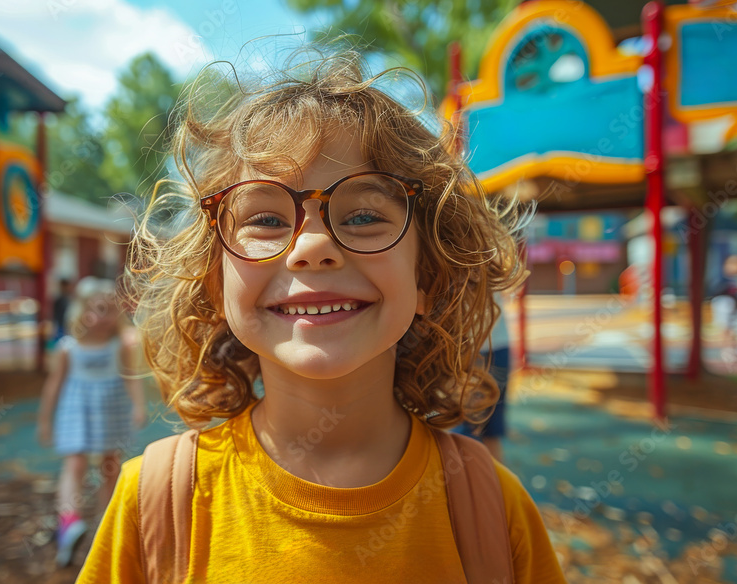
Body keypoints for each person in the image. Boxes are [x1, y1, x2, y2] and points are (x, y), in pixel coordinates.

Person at [78, 43, 566, 583]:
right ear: (214, 282)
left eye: (361, 215)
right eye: (264, 219)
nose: (310, 244)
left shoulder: (491, 509)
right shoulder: (156, 504)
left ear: (427, 276)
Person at [36, 276, 148, 567]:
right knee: (75, 463)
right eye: (99, 308)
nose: (106, 316)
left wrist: (138, 405)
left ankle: (107, 525)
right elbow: (54, 385)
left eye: (111, 309)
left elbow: (130, 377)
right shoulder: (68, 347)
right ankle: (69, 523)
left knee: (110, 465)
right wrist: (45, 421)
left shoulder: (120, 345)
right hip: (77, 410)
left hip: (111, 409)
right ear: (82, 310)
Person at [455, 305, 511, 463]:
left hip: (496, 343)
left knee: (493, 426)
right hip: (464, 346)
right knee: (465, 427)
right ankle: (466, 482)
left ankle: (496, 484)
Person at [710, 254, 737, 365]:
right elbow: (717, 292)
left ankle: (734, 350)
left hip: (735, 306)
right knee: (726, 329)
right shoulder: (722, 278)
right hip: (725, 304)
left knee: (736, 329)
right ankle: (727, 350)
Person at [52, 277, 74, 342]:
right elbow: (55, 315)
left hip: (67, 325)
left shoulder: (70, 299)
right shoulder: (59, 300)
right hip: (60, 326)